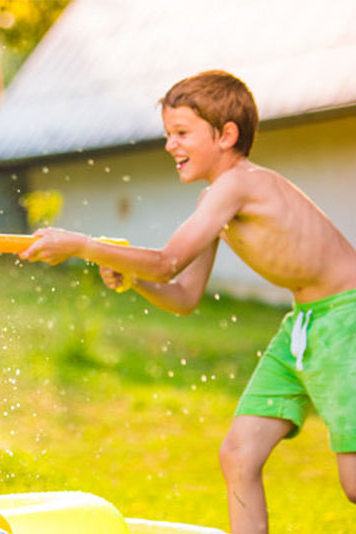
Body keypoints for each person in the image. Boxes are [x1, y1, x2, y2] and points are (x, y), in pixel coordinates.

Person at [19, 70, 356, 533]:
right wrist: (133, 281)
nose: (169, 145)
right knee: (239, 454)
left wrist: (82, 245)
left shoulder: (239, 184)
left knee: (354, 483)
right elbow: (182, 296)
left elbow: (166, 261)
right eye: (167, 134)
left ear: (226, 136)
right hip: (304, 326)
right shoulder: (216, 201)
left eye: (181, 133)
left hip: (346, 318)